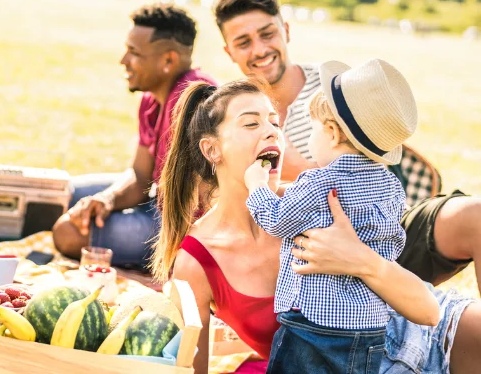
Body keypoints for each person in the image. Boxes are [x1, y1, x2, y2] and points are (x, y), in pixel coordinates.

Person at [152, 79, 478, 374]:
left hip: (435, 338)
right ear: (212, 149)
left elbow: (428, 310)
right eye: (251, 123)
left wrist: (361, 261)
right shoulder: (196, 262)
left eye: (274, 122)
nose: (271, 132)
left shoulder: (317, 201)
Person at [214, 0, 481, 294]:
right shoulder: (230, 111)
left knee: (474, 215)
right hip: (291, 251)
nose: (259, 49)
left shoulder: (336, 91)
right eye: (243, 42)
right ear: (228, 51)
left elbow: (378, 177)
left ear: (286, 30)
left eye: (267, 34)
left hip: (377, 239)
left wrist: (289, 168)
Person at [243, 59, 437, 373]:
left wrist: (257, 187)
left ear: (332, 133)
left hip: (312, 327)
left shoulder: (318, 183)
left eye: (311, 132)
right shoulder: (390, 186)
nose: (308, 142)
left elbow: (276, 220)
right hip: (370, 327)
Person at [50, 3, 217, 267]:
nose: (123, 60)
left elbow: (199, 203)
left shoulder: (195, 99)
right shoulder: (151, 100)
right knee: (58, 194)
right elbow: (141, 174)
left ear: (168, 60)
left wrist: (113, 209)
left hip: (179, 224)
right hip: (156, 200)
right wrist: (107, 200)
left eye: (134, 52)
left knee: (67, 232)